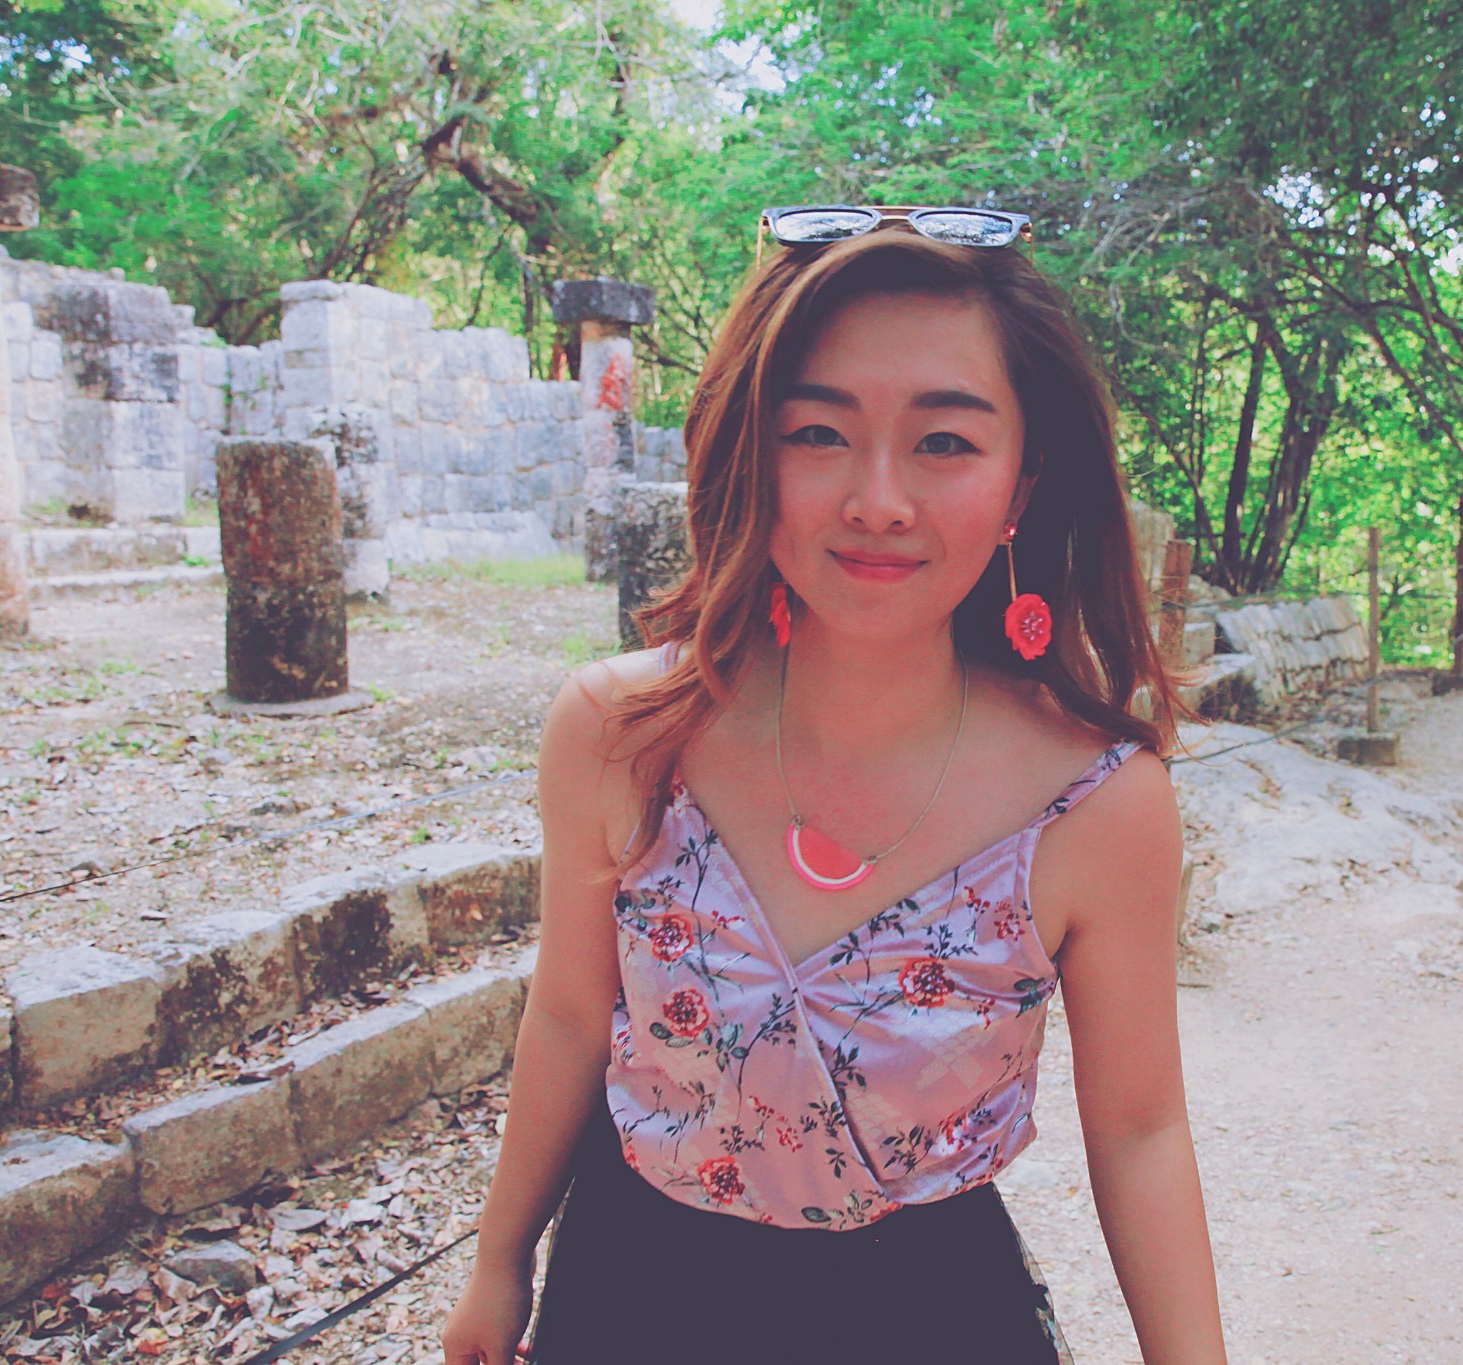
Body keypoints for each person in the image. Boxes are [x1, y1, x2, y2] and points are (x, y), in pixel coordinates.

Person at [441, 205, 1227, 1364]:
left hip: (928, 1322)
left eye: (944, 442)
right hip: (625, 1300)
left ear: (1021, 483)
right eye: (818, 433)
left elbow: (1140, 1130)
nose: (877, 500)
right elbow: (566, 1012)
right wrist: (499, 1261)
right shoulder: (621, 735)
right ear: (752, 454)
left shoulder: (1095, 804)